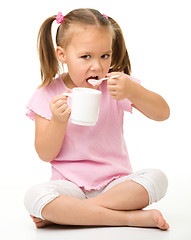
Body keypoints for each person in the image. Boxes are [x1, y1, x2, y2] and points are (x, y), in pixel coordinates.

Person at [24, 8, 170, 230]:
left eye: (105, 55)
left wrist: (133, 91)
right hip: (69, 186)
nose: (98, 66)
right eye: (85, 57)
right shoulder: (47, 93)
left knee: (158, 179)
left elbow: (163, 113)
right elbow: (45, 153)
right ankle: (129, 218)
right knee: (35, 197)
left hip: (117, 185)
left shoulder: (116, 86)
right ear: (62, 55)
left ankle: (72, 213)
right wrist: (58, 121)